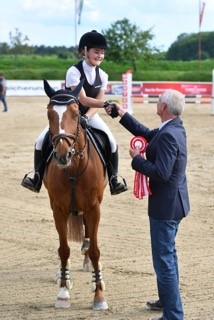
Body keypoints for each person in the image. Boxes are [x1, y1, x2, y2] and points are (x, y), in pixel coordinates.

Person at [105, 89, 190, 320]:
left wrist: (137, 160)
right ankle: (167, 301)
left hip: (166, 206)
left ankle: (173, 315)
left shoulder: (169, 135)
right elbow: (145, 132)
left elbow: (161, 173)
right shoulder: (173, 128)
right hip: (174, 202)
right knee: (168, 257)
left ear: (163, 107)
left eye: (159, 101)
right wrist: (122, 114)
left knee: (164, 261)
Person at [21, 30, 128, 196]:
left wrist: (87, 116)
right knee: (40, 141)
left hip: (89, 115)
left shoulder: (103, 75)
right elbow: (83, 100)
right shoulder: (74, 72)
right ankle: (37, 178)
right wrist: (106, 104)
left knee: (112, 141)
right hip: (69, 114)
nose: (99, 56)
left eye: (102, 53)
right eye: (96, 52)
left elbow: (97, 102)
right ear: (84, 51)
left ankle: (114, 179)